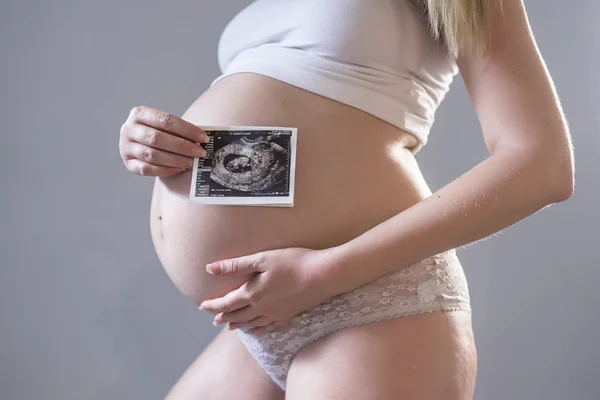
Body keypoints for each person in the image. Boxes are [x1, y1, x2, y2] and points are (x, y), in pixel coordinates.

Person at [118, 0, 574, 398]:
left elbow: (542, 163)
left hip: (367, 297)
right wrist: (149, 143)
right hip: (261, 315)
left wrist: (325, 272)